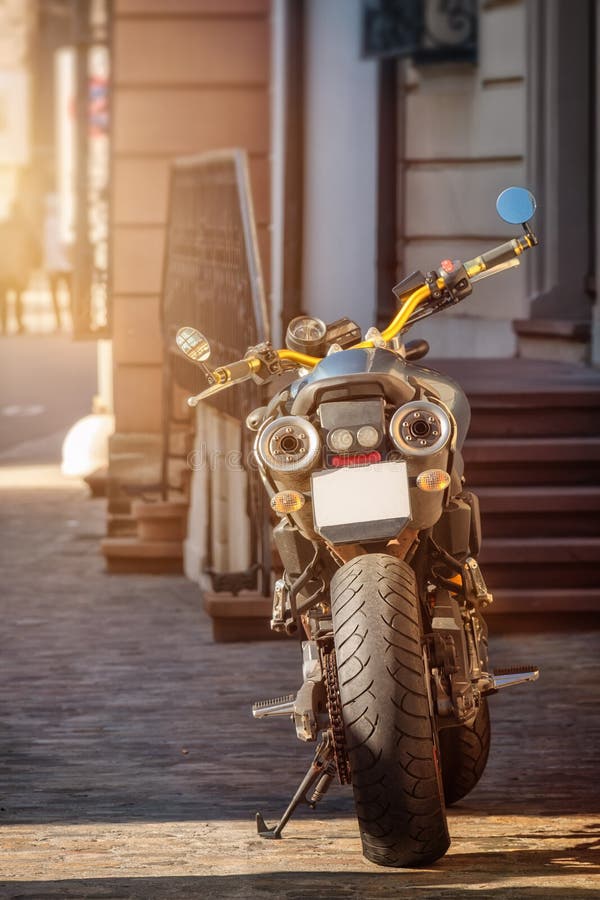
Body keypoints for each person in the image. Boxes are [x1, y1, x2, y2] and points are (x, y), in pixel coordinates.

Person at [0, 199, 37, 334]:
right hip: (18, 268)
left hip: (3, 268)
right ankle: (19, 324)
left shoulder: (3, 226)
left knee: (3, 298)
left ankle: (4, 326)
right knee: (18, 297)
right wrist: (36, 263)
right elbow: (33, 246)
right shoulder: (25, 227)